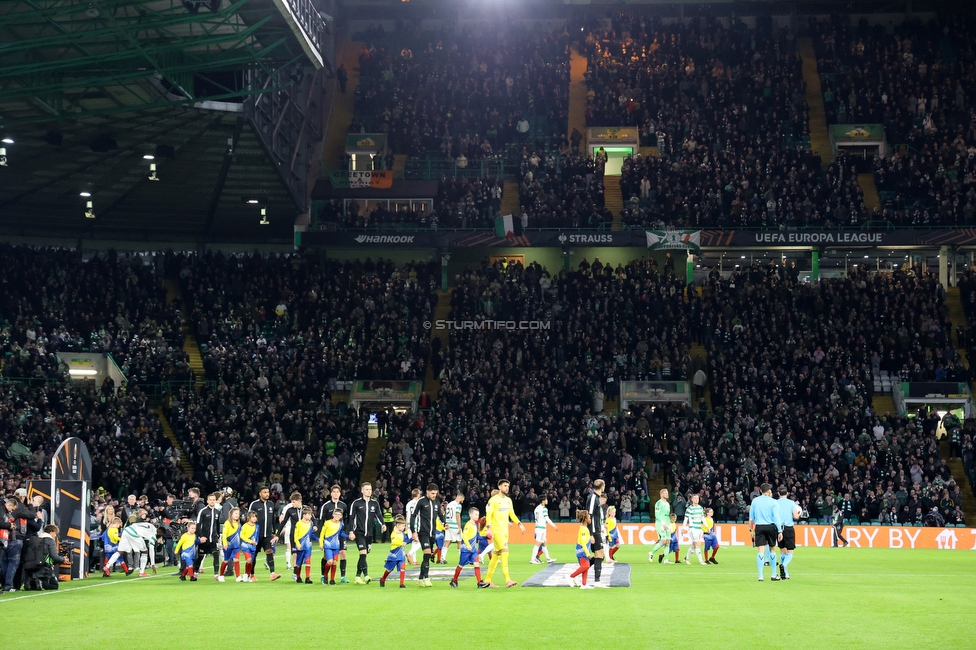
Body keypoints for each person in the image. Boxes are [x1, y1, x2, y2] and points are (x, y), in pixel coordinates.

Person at [483, 479, 524, 588]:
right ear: (499, 487)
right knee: (505, 552)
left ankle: (487, 580)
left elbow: (512, 514)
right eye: (505, 485)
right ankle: (507, 580)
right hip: (497, 530)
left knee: (496, 555)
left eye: (508, 486)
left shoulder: (508, 500)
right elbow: (488, 515)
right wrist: (489, 529)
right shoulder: (493, 500)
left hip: (505, 531)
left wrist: (519, 524)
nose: (507, 488)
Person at [348, 482, 386, 584]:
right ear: (362, 491)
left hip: (369, 534)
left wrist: (383, 524)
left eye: (370, 489)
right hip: (359, 532)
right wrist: (351, 531)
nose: (369, 491)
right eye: (367, 489)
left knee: (363, 555)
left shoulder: (375, 503)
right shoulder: (356, 503)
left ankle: (357, 576)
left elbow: (379, 515)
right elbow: (351, 518)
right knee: (363, 552)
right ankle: (366, 575)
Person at [749, 483, 783, 582]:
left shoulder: (755, 501)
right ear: (768, 491)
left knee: (760, 550)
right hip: (771, 526)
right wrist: (780, 530)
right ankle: (773, 574)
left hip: (759, 526)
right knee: (772, 549)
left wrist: (751, 530)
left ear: (761, 491)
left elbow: (751, 517)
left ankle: (760, 576)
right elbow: (776, 517)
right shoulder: (774, 502)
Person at [410, 482, 441, 588]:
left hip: (433, 533)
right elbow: (413, 516)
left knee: (427, 556)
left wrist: (445, 523)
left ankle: (420, 579)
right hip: (423, 532)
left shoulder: (437, 502)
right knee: (427, 553)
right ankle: (427, 578)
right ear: (427, 492)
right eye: (432, 493)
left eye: (435, 493)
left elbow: (440, 515)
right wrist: (413, 531)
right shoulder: (421, 501)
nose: (434, 495)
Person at [248, 486, 281, 581]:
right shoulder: (254, 504)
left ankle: (272, 574)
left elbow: (273, 519)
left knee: (269, 552)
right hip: (256, 535)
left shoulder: (271, 504)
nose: (267, 494)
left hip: (267, 534)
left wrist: (274, 531)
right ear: (260, 493)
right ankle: (252, 575)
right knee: (254, 555)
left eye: (268, 492)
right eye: (265, 492)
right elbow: (249, 518)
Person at [317, 485, 348, 583]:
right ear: (331, 493)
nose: (335, 493)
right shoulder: (326, 506)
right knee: (327, 557)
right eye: (334, 492)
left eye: (337, 492)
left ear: (340, 493)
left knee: (343, 553)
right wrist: (320, 538)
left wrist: (347, 531)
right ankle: (323, 575)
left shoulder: (343, 505)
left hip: (340, 534)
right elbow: (321, 520)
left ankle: (343, 577)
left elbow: (346, 520)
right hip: (329, 536)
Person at [22, 524, 64, 591]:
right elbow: (54, 556)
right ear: (51, 532)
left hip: (31, 568)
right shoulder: (50, 541)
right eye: (55, 533)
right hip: (44, 568)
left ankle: (31, 581)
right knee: (54, 585)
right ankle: (39, 581)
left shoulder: (34, 540)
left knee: (34, 587)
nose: (55, 536)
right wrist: (63, 559)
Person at [451, 507, 483, 589]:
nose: (477, 516)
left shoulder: (475, 524)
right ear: (470, 515)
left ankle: (480, 582)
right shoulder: (468, 525)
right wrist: (468, 545)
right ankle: (454, 580)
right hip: (466, 549)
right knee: (461, 565)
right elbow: (464, 536)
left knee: (476, 563)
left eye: (478, 514)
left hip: (473, 549)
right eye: (475, 514)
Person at [585, 479, 609, 587]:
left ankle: (581, 571)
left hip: (597, 530)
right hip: (594, 531)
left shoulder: (597, 498)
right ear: (602, 486)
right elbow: (588, 516)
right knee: (599, 554)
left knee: (600, 555)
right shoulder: (593, 497)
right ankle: (597, 581)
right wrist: (590, 534)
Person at [776, 486, 802, 579]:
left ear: (778, 493)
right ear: (787, 494)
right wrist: (799, 514)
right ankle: (783, 565)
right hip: (788, 528)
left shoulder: (775, 503)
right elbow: (795, 517)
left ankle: (786, 573)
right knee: (790, 552)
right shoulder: (791, 503)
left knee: (782, 550)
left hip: (779, 529)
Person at [195, 491, 221, 578]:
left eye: (214, 500)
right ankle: (195, 572)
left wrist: (218, 535)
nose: (212, 501)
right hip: (204, 538)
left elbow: (217, 525)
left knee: (216, 555)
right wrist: (201, 536)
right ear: (207, 501)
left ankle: (216, 574)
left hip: (213, 539)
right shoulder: (203, 511)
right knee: (200, 556)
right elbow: (198, 525)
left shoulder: (217, 512)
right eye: (211, 500)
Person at [380, 515, 410, 588]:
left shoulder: (402, 532)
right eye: (402, 526)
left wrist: (412, 539)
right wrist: (401, 543)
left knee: (402, 568)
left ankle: (401, 584)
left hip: (401, 553)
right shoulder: (393, 533)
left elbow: (406, 540)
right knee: (389, 569)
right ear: (398, 525)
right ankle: (383, 579)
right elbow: (393, 542)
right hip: (394, 554)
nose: (403, 528)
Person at [320, 507, 346, 585]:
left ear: (341, 516)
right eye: (336, 514)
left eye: (339, 515)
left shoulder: (341, 524)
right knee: (330, 561)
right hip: (328, 545)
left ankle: (332, 580)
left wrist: (348, 536)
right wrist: (321, 543)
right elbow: (322, 533)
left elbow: (341, 533)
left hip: (336, 546)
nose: (337, 516)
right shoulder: (327, 522)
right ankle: (325, 576)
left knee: (334, 563)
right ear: (333, 514)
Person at [569, 510, 594, 589]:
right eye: (589, 517)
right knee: (586, 566)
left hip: (584, 551)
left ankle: (584, 584)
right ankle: (571, 576)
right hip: (582, 552)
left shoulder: (585, 529)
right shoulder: (583, 529)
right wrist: (588, 554)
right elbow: (583, 543)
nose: (590, 518)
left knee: (585, 567)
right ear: (585, 519)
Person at [531, 495, 558, 564]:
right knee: (537, 544)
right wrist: (554, 526)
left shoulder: (536, 508)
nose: (547, 500)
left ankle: (548, 558)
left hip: (538, 527)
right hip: (541, 528)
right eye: (546, 499)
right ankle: (532, 559)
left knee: (544, 543)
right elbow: (547, 518)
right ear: (543, 501)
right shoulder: (544, 509)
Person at [279, 492, 303, 571]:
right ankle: (291, 565)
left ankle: (289, 564)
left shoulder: (287, 506)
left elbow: (281, 518)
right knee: (291, 547)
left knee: (290, 547)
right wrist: (283, 527)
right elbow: (282, 519)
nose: (292, 503)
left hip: (296, 529)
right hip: (290, 527)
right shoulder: (289, 508)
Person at [220, 507, 244, 582]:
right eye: (235, 513)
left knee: (236, 559)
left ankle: (238, 577)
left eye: (238, 513)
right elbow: (224, 534)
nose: (237, 515)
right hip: (228, 544)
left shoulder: (239, 524)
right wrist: (224, 543)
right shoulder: (227, 523)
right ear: (231, 514)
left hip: (236, 545)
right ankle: (221, 575)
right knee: (226, 561)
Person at [647, 488, 671, 563]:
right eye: (665, 493)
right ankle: (651, 552)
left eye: (667, 493)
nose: (667, 494)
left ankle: (666, 560)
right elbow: (657, 515)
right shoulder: (658, 503)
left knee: (667, 541)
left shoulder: (667, 503)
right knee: (663, 541)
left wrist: (668, 524)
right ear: (661, 494)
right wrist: (663, 523)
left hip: (667, 523)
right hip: (661, 524)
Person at [292, 507, 314, 584]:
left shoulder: (311, 523)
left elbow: (311, 535)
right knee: (299, 562)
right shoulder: (298, 523)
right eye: (309, 514)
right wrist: (297, 544)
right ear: (304, 515)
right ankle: (298, 577)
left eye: (311, 515)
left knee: (308, 561)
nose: (310, 516)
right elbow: (296, 535)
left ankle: (307, 578)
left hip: (308, 546)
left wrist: (319, 539)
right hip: (300, 546)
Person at [683, 493, 707, 565]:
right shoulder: (689, 508)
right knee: (697, 544)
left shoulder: (700, 508)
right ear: (692, 499)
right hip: (692, 529)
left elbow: (702, 518)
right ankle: (701, 560)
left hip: (699, 528)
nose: (697, 499)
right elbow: (685, 519)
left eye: (698, 498)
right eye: (695, 498)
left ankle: (686, 558)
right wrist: (683, 528)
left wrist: (706, 526)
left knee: (694, 545)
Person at [443, 491, 464, 563]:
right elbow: (457, 515)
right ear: (461, 498)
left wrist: (445, 523)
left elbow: (445, 514)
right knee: (459, 541)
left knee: (447, 541)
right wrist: (459, 527)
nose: (462, 502)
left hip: (448, 524)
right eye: (462, 500)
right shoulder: (458, 505)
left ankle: (443, 558)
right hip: (455, 525)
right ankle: (462, 558)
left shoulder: (449, 504)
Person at [240, 510, 259, 582]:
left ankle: (248, 576)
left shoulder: (257, 526)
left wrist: (256, 542)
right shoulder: (245, 526)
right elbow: (241, 535)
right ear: (249, 518)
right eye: (253, 517)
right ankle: (245, 575)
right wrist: (250, 541)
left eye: (255, 517)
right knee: (249, 559)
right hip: (246, 545)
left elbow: (256, 536)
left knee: (251, 561)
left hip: (253, 546)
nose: (255, 518)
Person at [404, 488, 422, 565]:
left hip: (409, 524)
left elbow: (407, 515)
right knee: (419, 542)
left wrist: (406, 526)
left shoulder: (408, 504)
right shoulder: (419, 503)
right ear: (418, 494)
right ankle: (409, 553)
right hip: (416, 524)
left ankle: (414, 560)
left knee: (414, 542)